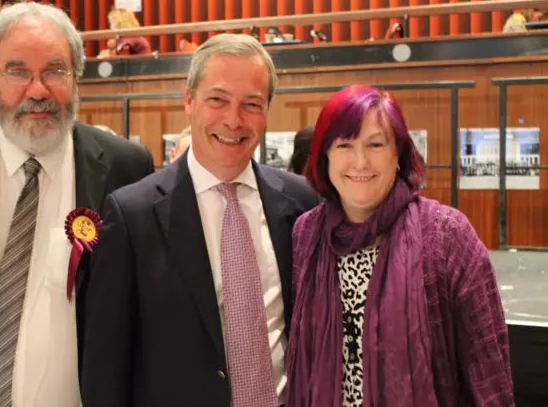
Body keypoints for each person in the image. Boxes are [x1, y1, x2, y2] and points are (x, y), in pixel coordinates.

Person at [0, 2, 155, 407]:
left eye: (55, 70)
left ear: (76, 77)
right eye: (19, 71)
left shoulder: (126, 167)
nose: (38, 90)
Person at [81, 33, 320, 407]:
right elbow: (105, 367)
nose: (233, 119)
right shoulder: (133, 215)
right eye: (218, 99)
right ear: (189, 101)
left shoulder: (302, 202)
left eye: (252, 104)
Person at [286, 85, 514, 407]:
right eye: (345, 145)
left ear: (398, 155)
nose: (361, 161)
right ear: (325, 156)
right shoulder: (306, 234)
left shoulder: (446, 235)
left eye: (375, 144)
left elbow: (489, 372)